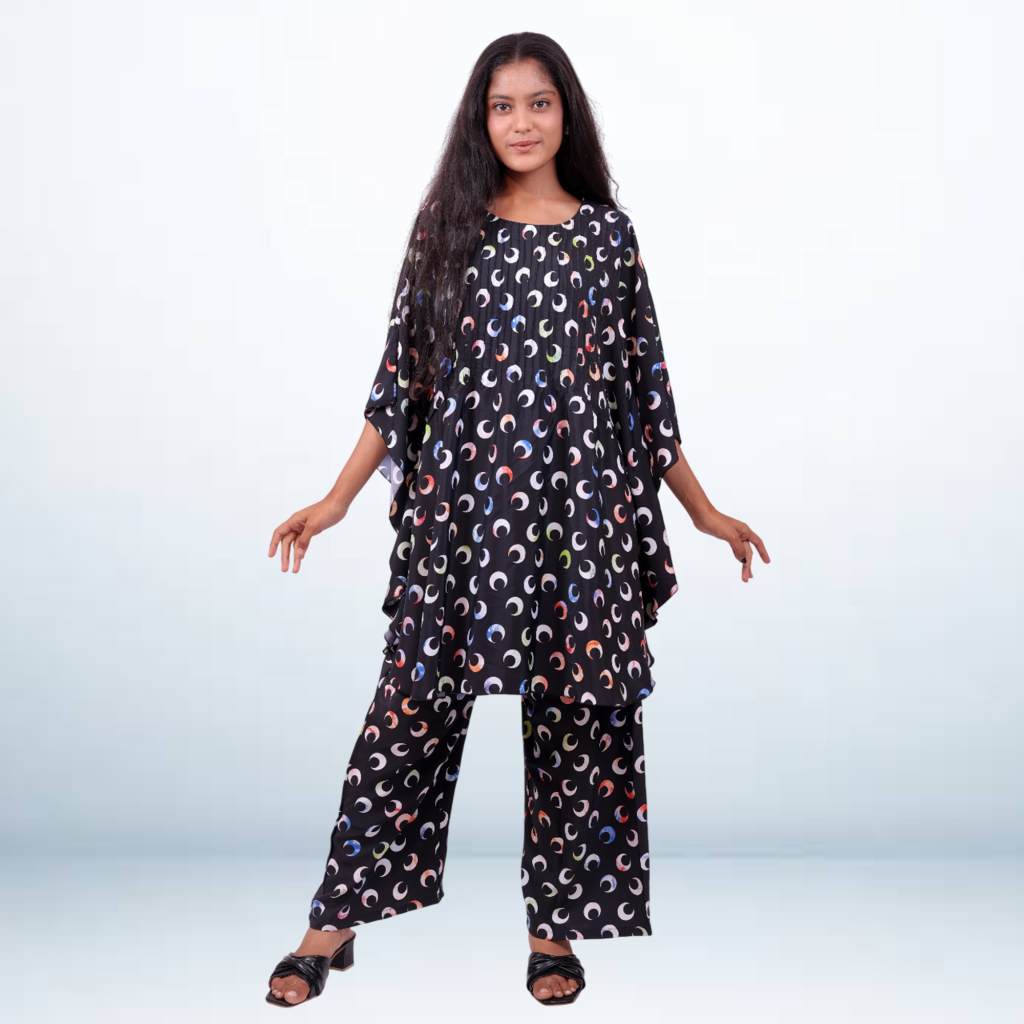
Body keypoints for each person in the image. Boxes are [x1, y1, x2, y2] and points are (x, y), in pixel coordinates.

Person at [264, 31, 769, 1009]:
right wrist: (336, 499)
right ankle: (332, 925)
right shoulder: (447, 230)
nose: (522, 122)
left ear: (566, 114)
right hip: (462, 519)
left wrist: (704, 511)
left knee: (579, 721)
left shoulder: (606, 237)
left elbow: (643, 398)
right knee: (409, 712)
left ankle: (554, 935)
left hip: (580, 521)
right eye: (503, 106)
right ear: (480, 119)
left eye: (539, 102)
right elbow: (400, 381)